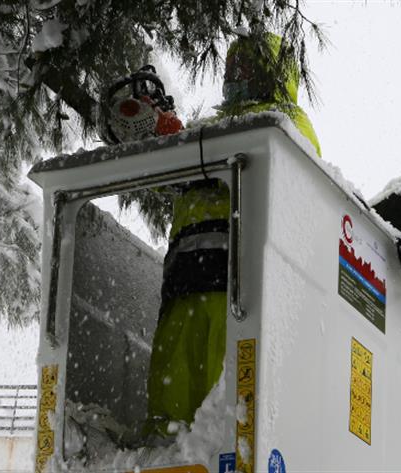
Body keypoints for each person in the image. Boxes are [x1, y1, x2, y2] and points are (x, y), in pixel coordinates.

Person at [144, 32, 321, 437]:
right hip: (183, 288)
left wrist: (186, 145)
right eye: (233, 67)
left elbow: (270, 160)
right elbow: (162, 180)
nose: (237, 75)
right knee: (170, 403)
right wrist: (166, 138)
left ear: (275, 75)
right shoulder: (211, 124)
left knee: (222, 415)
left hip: (238, 289)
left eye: (249, 67)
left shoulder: (288, 122)